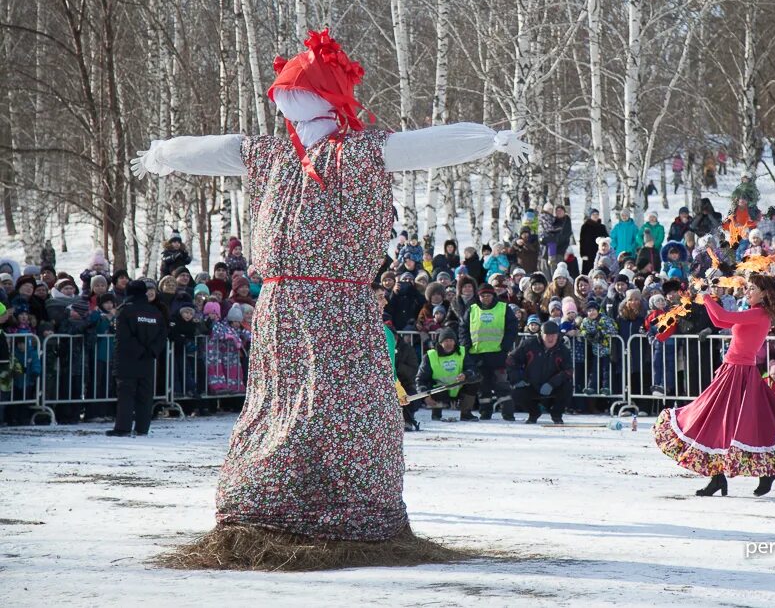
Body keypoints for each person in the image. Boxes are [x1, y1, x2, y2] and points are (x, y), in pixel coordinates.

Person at [130, 28, 532, 568]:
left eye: (300, 96)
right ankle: (276, 500)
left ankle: (348, 506)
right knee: (282, 402)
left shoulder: (357, 154)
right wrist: (165, 154)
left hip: (336, 310)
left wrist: (489, 139)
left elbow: (420, 145)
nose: (288, 106)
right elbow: (224, 149)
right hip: (283, 311)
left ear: (326, 99)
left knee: (344, 404)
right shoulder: (276, 156)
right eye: (284, 98)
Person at [652, 274, 775, 497]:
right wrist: (708, 298)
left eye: (752, 288)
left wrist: (707, 297)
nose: (747, 292)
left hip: (740, 373)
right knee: (724, 421)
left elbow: (723, 315)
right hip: (732, 370)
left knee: (727, 421)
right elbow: (720, 321)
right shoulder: (755, 313)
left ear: (764, 293)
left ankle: (751, 472)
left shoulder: (759, 314)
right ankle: (724, 476)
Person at [107, 280, 168, 437]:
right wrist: (151, 351)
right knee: (145, 395)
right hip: (148, 360)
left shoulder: (125, 311)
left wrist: (140, 350)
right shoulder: (155, 312)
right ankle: (142, 427)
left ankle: (123, 427)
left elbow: (123, 337)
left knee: (126, 394)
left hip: (127, 359)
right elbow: (162, 335)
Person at [459, 282, 519, 420]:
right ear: (478, 296)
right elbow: (463, 329)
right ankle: (485, 412)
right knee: (483, 386)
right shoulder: (472, 309)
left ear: (493, 295)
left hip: (498, 354)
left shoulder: (504, 308)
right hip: (477, 354)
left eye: (488, 295)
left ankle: (508, 413)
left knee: (502, 385)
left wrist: (505, 347)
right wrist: (466, 347)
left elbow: (512, 329)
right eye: (483, 295)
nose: (485, 298)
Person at [507, 320, 573, 424]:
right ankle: (533, 412)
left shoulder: (563, 350)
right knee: (516, 392)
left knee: (568, 387)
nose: (550, 338)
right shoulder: (528, 344)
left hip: (553, 386)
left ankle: (556, 415)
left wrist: (552, 383)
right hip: (531, 384)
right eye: (547, 335)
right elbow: (511, 360)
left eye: (553, 335)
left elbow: (568, 371)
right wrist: (517, 379)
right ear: (541, 334)